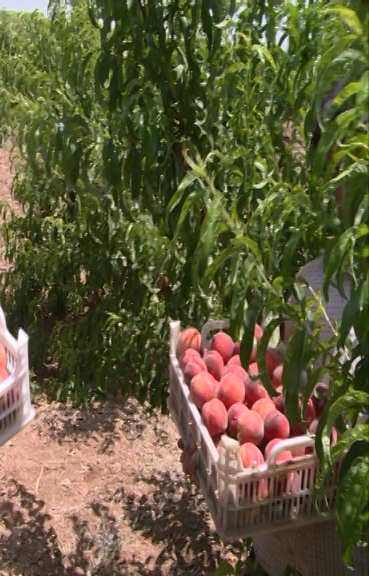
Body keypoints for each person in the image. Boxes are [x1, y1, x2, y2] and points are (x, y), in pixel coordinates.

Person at [178, 79, 368, 575]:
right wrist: (222, 466)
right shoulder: (310, 284)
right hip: (277, 555)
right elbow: (276, 405)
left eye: (357, 155)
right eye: (335, 159)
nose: (345, 179)